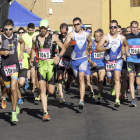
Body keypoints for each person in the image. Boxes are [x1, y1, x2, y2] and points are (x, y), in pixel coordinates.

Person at [30, 19, 66, 121]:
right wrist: (31, 59)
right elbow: (33, 49)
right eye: (41, 28)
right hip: (41, 65)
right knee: (42, 89)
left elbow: (63, 48)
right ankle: (45, 112)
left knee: (50, 91)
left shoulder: (53, 37)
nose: (42, 30)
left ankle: (51, 93)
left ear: (47, 28)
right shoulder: (35, 38)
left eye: (44, 28)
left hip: (50, 66)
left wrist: (58, 56)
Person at [96, 20, 129, 107]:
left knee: (117, 78)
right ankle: (112, 86)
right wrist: (106, 48)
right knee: (110, 80)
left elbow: (127, 45)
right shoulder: (106, 37)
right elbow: (97, 48)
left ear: (117, 28)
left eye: (114, 27)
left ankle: (117, 100)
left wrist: (126, 52)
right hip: (108, 61)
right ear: (109, 28)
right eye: (111, 27)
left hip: (118, 60)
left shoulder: (121, 37)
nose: (113, 29)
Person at [64, 17, 92, 109]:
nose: (76, 26)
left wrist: (88, 48)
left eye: (77, 24)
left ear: (81, 24)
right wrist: (70, 43)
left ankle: (81, 100)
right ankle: (68, 82)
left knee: (81, 78)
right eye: (74, 24)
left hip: (83, 59)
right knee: (74, 79)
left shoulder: (87, 34)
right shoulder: (71, 34)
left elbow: (90, 41)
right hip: (74, 61)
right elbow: (65, 45)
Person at [0, 19, 24, 122]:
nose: (8, 31)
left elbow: (22, 43)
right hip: (5, 67)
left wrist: (21, 52)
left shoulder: (16, 36)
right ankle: (15, 106)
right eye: (6, 29)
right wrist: (2, 52)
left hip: (15, 66)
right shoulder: (1, 37)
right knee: (9, 91)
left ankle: (14, 112)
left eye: (10, 29)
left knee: (14, 88)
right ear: (4, 28)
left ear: (13, 28)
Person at [57, 23, 73, 104]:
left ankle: (68, 83)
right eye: (61, 33)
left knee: (70, 78)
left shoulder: (71, 38)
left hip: (70, 59)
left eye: (65, 33)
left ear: (67, 31)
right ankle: (62, 97)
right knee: (60, 76)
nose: (63, 34)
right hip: (61, 59)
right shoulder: (57, 37)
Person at [22, 23, 39, 99]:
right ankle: (24, 88)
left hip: (34, 57)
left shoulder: (37, 35)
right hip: (26, 57)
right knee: (27, 75)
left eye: (32, 30)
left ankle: (32, 91)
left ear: (34, 29)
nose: (31, 32)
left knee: (33, 75)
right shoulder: (24, 36)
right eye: (29, 30)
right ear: (27, 29)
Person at [89, 30, 106, 103]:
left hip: (102, 64)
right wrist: (91, 62)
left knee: (101, 79)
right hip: (94, 65)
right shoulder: (91, 44)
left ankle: (99, 96)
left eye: (99, 36)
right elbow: (86, 55)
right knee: (95, 81)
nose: (98, 38)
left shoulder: (104, 43)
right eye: (96, 36)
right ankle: (99, 87)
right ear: (94, 36)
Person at [126, 21, 140, 107]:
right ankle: (133, 100)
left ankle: (137, 89)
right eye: (133, 27)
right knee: (131, 79)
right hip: (130, 60)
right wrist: (125, 53)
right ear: (130, 28)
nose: (134, 29)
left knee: (138, 81)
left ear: (138, 27)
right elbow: (123, 47)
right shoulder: (127, 37)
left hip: (139, 61)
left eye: (136, 27)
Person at [17, 27, 30, 105]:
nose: (21, 34)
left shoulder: (24, 44)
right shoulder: (14, 44)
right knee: (16, 84)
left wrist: (30, 66)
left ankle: (25, 81)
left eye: (22, 32)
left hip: (24, 66)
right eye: (19, 33)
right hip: (16, 66)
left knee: (21, 83)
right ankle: (19, 98)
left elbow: (30, 54)